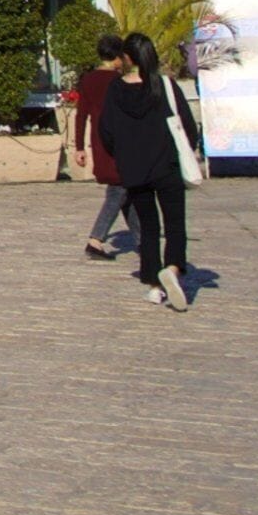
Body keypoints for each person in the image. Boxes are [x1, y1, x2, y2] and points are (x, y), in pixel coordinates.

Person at [96, 30, 201, 310]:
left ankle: (155, 285)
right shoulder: (164, 86)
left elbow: (106, 130)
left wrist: (121, 154)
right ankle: (174, 268)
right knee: (175, 223)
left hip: (134, 168)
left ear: (126, 57)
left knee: (148, 227)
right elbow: (188, 126)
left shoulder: (116, 90)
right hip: (166, 165)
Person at [68, 34, 131, 258]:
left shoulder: (88, 79)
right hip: (119, 141)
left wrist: (79, 146)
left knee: (125, 188)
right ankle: (95, 239)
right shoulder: (118, 82)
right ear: (117, 57)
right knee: (119, 187)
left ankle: (143, 239)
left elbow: (81, 114)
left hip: (98, 140)